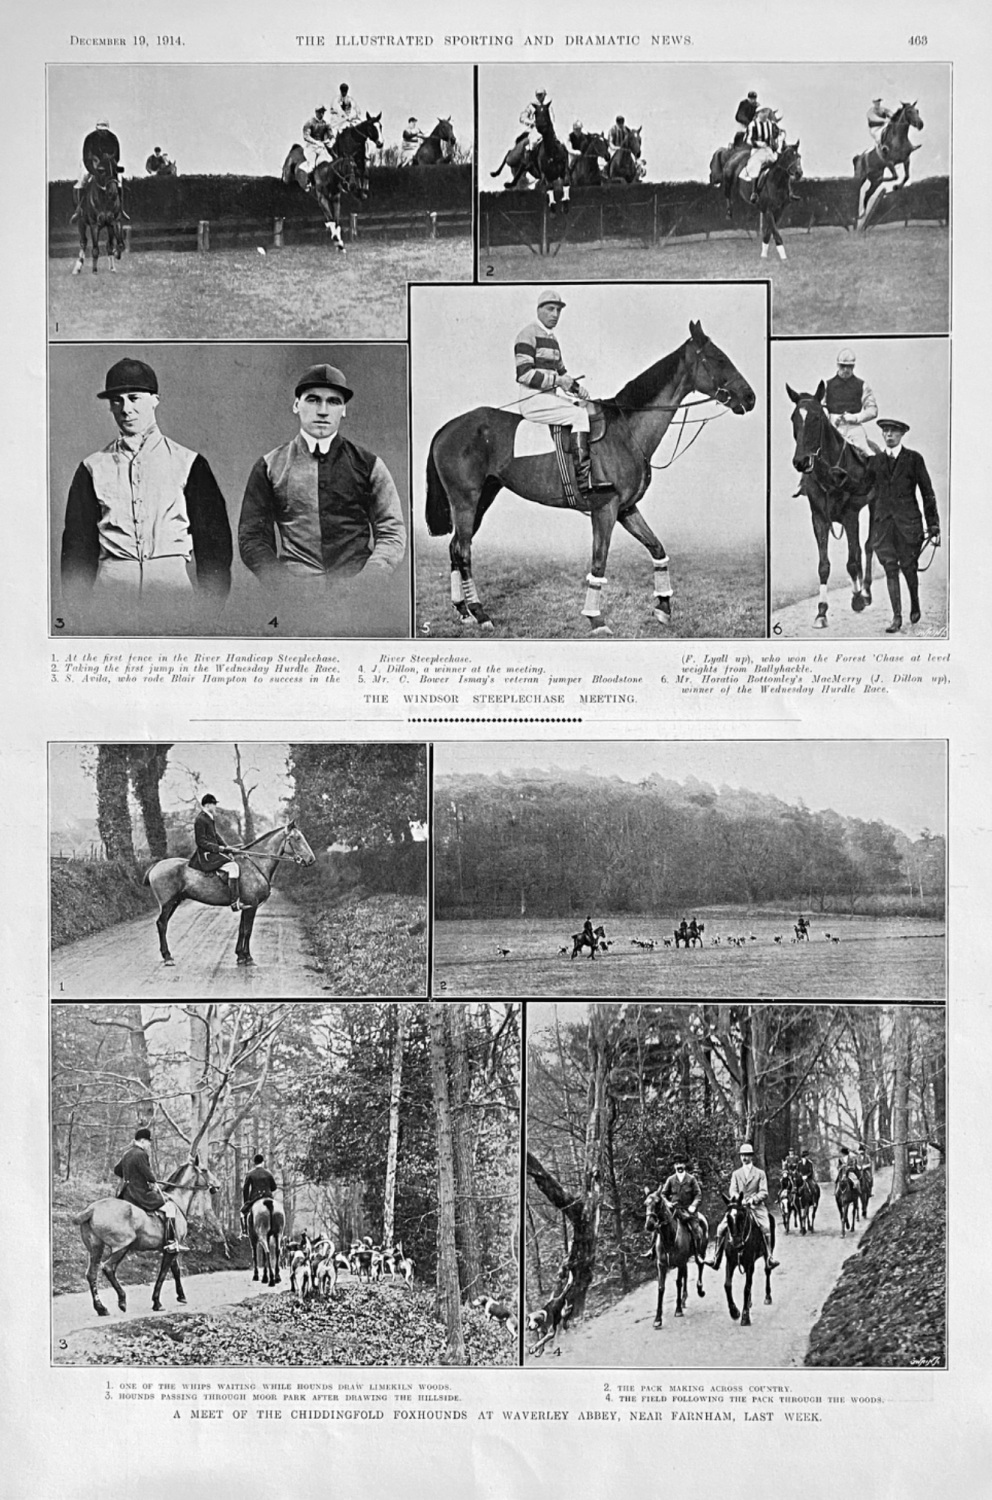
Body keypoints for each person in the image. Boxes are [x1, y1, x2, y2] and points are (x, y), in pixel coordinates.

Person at [61, 358, 232, 627]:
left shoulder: (189, 462)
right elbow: (77, 547)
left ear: (155, 400)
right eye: (116, 401)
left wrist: (210, 608)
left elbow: (214, 543)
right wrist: (79, 610)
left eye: (134, 398)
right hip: (111, 597)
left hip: (174, 596)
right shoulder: (91, 468)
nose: (126, 409)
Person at [238, 364, 407, 596]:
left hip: (358, 594)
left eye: (334, 402)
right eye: (313, 400)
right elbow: (252, 537)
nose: (323, 411)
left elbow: (391, 530)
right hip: (295, 596)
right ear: (296, 405)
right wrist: (283, 584)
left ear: (344, 410)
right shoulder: (270, 466)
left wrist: (370, 580)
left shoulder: (370, 465)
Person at [514, 289, 612, 498]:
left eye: (558, 310)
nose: (555, 315)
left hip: (549, 398)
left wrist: (578, 390)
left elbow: (562, 373)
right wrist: (558, 381)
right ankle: (584, 481)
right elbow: (524, 374)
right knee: (579, 416)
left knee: (587, 408)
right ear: (539, 310)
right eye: (550, 309)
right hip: (533, 399)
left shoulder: (553, 339)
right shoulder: (527, 334)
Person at [866, 418, 941, 633]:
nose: (888, 435)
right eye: (885, 431)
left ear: (901, 435)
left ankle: (915, 603)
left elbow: (927, 492)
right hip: (884, 527)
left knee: (909, 567)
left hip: (909, 526)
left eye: (893, 431)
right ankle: (896, 617)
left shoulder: (914, 459)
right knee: (890, 569)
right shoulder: (875, 462)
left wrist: (933, 523)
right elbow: (865, 491)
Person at [707, 1142, 780, 1270]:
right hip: (739, 1206)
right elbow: (732, 1190)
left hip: (756, 1207)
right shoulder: (736, 1174)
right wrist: (738, 1199)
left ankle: (769, 1257)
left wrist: (752, 1199)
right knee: (720, 1228)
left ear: (751, 1156)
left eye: (747, 1155)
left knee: (766, 1226)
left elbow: (764, 1192)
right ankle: (716, 1258)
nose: (744, 1158)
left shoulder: (760, 1173)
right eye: (742, 1155)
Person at [114, 1126, 181, 1252]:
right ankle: (171, 1242)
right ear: (142, 1141)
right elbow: (147, 1173)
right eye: (148, 1142)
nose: (149, 1145)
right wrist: (152, 1181)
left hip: (126, 1193)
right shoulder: (141, 1154)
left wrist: (130, 1176)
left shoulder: (127, 1154)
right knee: (170, 1207)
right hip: (140, 1194)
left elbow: (117, 1170)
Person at [189, 794, 243, 910]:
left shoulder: (208, 818)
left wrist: (227, 848)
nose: (215, 807)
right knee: (233, 867)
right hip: (206, 855)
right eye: (214, 804)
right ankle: (234, 902)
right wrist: (220, 849)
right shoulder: (200, 819)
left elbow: (215, 836)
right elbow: (201, 841)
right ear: (207, 805)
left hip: (212, 853)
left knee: (234, 860)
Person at [822, 349, 878, 455]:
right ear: (838, 365)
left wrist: (856, 417)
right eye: (843, 366)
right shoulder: (827, 385)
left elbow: (872, 409)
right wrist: (829, 418)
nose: (846, 369)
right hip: (832, 427)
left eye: (849, 366)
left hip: (853, 427)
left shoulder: (862, 385)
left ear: (853, 366)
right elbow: (822, 406)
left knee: (868, 452)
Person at [72, 118, 124, 219]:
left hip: (108, 165)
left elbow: (117, 156)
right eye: (100, 130)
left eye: (104, 130)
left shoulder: (113, 138)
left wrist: (109, 166)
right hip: (91, 163)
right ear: (97, 128)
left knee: (120, 180)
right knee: (83, 179)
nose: (102, 132)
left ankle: (121, 209)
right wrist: (94, 171)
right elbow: (87, 158)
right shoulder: (89, 138)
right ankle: (78, 210)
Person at [657, 1159, 707, 1259]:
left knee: (696, 1230)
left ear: (684, 1165)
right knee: (660, 1227)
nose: (679, 1166)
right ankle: (653, 1251)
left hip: (688, 1211)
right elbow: (663, 1194)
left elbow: (698, 1194)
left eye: (681, 1163)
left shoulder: (691, 1179)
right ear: (674, 1166)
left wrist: (693, 1206)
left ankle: (697, 1253)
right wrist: (668, 1203)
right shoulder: (671, 1179)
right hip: (674, 1211)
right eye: (676, 1164)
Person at [739, 109, 785, 201]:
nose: (765, 115)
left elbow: (779, 134)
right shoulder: (752, 125)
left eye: (766, 113)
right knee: (756, 165)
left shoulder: (770, 124)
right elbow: (747, 139)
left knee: (780, 162)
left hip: (768, 149)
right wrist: (759, 143)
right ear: (758, 114)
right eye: (763, 112)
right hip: (757, 150)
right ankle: (754, 192)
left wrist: (777, 142)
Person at [241, 1152, 279, 1232]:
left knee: (242, 1213)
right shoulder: (268, 1173)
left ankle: (245, 1232)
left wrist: (246, 1202)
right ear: (263, 1162)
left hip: (255, 1198)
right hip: (268, 1197)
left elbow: (245, 1189)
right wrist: (267, 1190)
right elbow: (274, 1187)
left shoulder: (250, 1174)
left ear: (254, 1162)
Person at [301, 104, 334, 187]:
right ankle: (309, 182)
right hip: (310, 147)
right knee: (312, 165)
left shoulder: (326, 124)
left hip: (321, 147)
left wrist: (329, 141)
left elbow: (331, 135)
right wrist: (316, 142)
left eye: (323, 112)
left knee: (330, 161)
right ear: (316, 112)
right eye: (320, 112)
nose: (321, 114)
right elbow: (306, 136)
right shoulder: (310, 123)